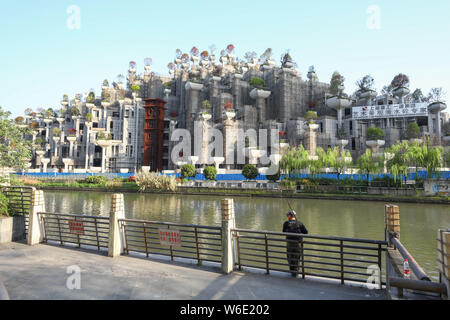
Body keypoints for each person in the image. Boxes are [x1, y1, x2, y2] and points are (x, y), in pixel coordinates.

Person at [282, 210, 308, 277]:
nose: (287, 217)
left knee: (289, 257)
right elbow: (306, 232)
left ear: (290, 216)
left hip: (289, 243)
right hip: (298, 243)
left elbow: (283, 231)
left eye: (288, 215)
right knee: (297, 257)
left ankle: (292, 271)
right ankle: (296, 272)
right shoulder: (299, 223)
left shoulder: (286, 223)